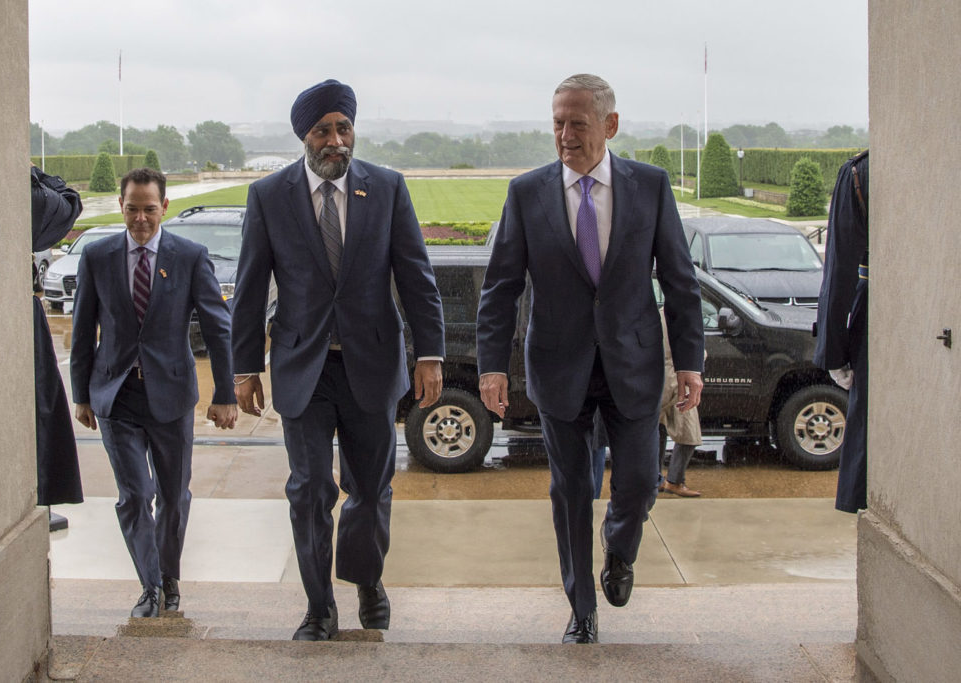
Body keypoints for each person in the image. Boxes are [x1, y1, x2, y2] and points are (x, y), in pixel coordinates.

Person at [477, 74, 704, 644]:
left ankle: (619, 547)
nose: (565, 135)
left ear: (610, 124)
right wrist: (492, 365)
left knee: (640, 484)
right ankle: (582, 611)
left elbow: (680, 281)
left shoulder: (650, 186)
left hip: (634, 364)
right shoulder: (526, 193)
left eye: (577, 123)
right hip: (559, 366)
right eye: (557, 123)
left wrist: (690, 363)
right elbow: (501, 288)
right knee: (572, 491)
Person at [230, 79, 445, 641]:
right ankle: (319, 607)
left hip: (371, 364)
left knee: (370, 490)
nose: (336, 141)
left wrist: (429, 354)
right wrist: (244, 369)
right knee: (308, 491)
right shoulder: (269, 196)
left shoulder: (388, 188)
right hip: (303, 367)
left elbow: (416, 277)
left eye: (344, 128)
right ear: (304, 136)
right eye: (323, 130)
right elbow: (249, 288)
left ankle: (367, 580)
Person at [70, 168, 238, 618]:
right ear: (120, 207)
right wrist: (81, 394)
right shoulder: (97, 256)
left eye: (149, 209)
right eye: (132, 209)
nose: (140, 219)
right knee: (134, 496)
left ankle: (169, 577)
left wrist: (225, 393)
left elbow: (218, 329)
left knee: (173, 496)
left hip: (171, 397)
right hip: (116, 395)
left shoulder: (190, 257)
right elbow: (82, 329)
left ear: (164, 207)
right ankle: (150, 586)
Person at [814, 150, 869, 514]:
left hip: (878, 314)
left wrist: (834, 353)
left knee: (869, 425)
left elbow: (839, 272)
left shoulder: (861, 172)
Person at [31, 165, 84, 523]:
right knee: (40, 407)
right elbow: (69, 204)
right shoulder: (28, 197)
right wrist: (33, 172)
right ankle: (39, 498)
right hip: (14, 315)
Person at [657, 310, 703, 497]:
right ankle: (674, 481)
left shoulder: (657, 315)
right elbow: (697, 351)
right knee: (689, 433)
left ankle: (655, 479)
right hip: (679, 381)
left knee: (658, 428)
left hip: (659, 378)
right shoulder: (683, 316)